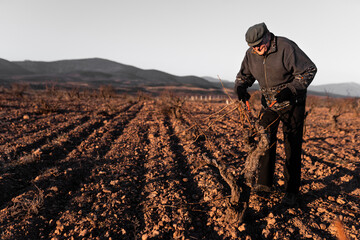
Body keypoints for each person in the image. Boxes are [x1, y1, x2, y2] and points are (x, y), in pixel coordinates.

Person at [235, 22, 317, 206]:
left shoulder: (286, 47)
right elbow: (243, 76)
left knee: (292, 146)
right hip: (269, 103)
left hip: (292, 101)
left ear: (267, 37)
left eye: (258, 45)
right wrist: (240, 87)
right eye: (253, 47)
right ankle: (264, 185)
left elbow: (309, 70)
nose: (257, 49)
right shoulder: (251, 54)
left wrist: (291, 89)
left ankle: (291, 191)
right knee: (265, 140)